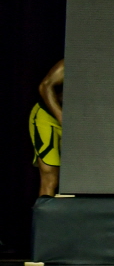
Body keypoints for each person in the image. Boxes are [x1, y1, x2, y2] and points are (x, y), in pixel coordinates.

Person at [31, 60, 63, 198]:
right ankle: (44, 211)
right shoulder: (70, 63)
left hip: (79, 123)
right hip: (49, 117)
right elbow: (45, 86)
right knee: (50, 176)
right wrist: (62, 118)